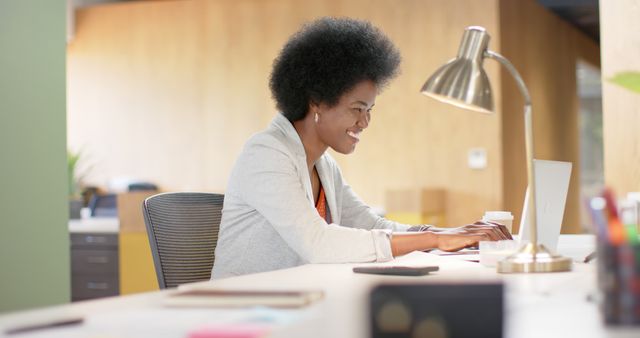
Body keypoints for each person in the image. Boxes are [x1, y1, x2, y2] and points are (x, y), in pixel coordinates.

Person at [211, 17, 511, 279]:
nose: (365, 122)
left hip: (294, 301)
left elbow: (372, 224)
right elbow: (318, 242)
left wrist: (445, 235)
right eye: (357, 108)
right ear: (316, 101)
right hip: (242, 308)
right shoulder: (266, 153)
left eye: (370, 110)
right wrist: (434, 238)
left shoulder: (323, 166)